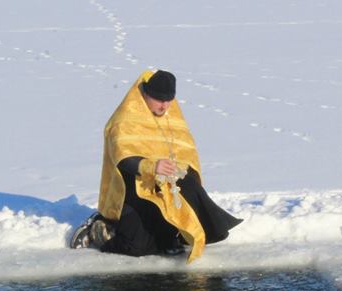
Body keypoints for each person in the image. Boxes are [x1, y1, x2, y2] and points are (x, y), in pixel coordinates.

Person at [69, 69, 241, 263]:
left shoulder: (171, 117)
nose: (164, 106)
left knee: (187, 204)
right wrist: (151, 166)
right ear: (145, 94)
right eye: (159, 99)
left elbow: (187, 152)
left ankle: (171, 234)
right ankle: (98, 231)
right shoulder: (125, 119)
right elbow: (123, 157)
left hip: (165, 190)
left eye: (169, 100)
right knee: (136, 248)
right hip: (133, 190)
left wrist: (180, 169)